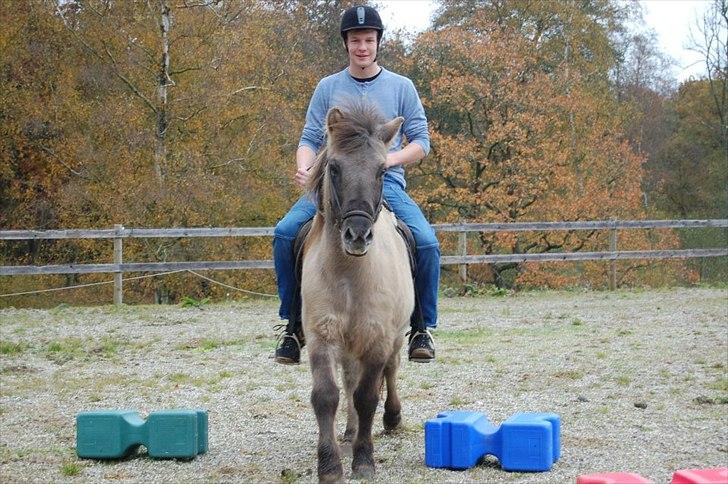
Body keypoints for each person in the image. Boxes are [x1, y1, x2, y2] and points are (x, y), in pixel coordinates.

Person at [273, 4, 439, 364]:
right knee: (285, 233)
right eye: (355, 40)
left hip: (384, 183)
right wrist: (305, 168)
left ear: (378, 42)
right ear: (346, 44)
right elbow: (308, 139)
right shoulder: (328, 87)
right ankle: (292, 326)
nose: (362, 47)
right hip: (332, 184)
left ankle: (421, 326)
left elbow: (421, 141)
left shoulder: (402, 87)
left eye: (368, 40)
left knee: (426, 243)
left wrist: (386, 160)